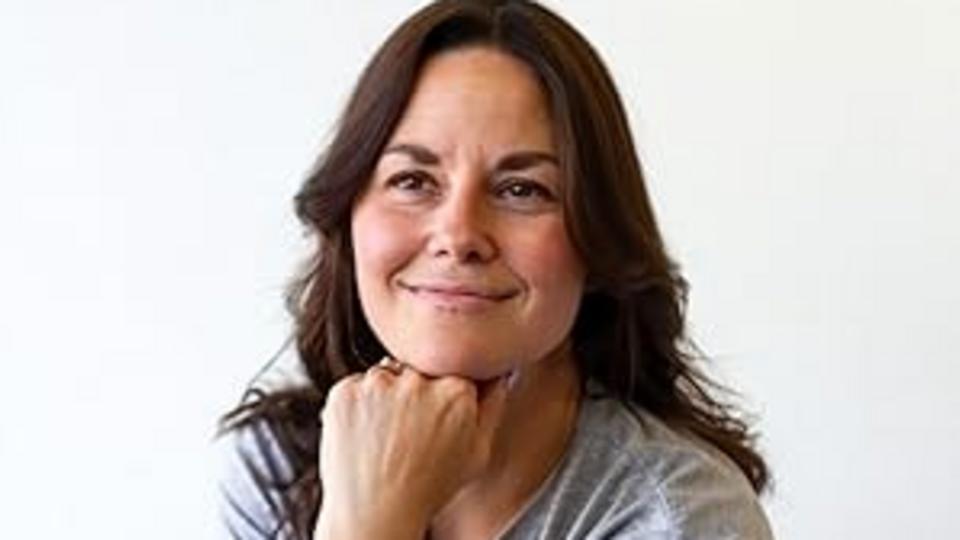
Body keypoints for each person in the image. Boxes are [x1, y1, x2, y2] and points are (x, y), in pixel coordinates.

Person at [216, 1, 773, 538]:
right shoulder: (278, 464)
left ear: (597, 238)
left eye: (521, 190)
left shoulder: (681, 515)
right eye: (413, 181)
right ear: (348, 214)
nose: (459, 236)